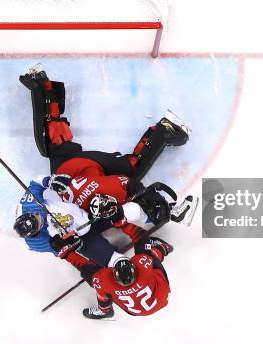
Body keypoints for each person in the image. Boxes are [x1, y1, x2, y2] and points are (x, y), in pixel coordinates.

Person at [19, 63, 198, 228]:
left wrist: (162, 211)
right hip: (63, 173)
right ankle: (40, 83)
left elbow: (132, 186)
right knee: (52, 141)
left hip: (82, 170)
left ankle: (165, 131)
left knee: (132, 169)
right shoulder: (67, 212)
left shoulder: (106, 190)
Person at [13, 175, 127, 269]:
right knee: (103, 255)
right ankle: (117, 264)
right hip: (81, 237)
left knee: (121, 212)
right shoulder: (38, 243)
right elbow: (62, 250)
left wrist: (50, 181)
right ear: (36, 232)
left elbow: (35, 182)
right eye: (38, 222)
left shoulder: (29, 203)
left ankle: (132, 210)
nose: (38, 216)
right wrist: (71, 245)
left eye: (34, 215)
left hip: (81, 210)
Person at [78, 225, 174, 319]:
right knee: (148, 258)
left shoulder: (105, 281)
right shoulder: (142, 271)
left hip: (149, 303)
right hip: (161, 297)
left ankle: (104, 310)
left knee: (101, 289)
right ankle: (163, 248)